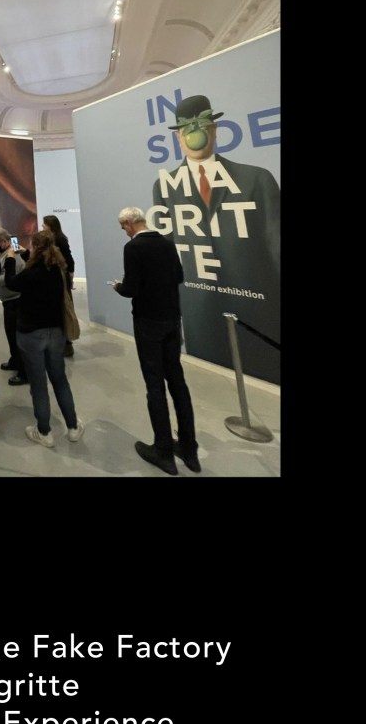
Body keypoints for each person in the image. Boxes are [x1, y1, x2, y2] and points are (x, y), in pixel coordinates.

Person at [151, 94, 280, 383]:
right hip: (199, 314)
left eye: (201, 126)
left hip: (257, 314)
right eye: (186, 129)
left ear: (214, 129)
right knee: (209, 383)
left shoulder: (256, 179)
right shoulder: (164, 186)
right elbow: (168, 252)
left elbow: (276, 247)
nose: (194, 134)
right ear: (178, 137)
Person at [111, 206, 200, 476]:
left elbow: (131, 288)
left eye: (123, 227)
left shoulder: (133, 248)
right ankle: (189, 448)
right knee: (177, 382)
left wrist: (118, 287)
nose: (124, 232)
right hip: (172, 318)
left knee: (155, 384)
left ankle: (163, 451)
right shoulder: (167, 243)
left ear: (130, 222)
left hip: (148, 322)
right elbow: (179, 276)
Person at [4, 231, 84, 447]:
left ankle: (44, 431)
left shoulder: (30, 274)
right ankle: (73, 427)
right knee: (59, 379)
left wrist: (10, 258)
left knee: (38, 384)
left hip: (31, 333)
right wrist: (25, 254)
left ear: (35, 247)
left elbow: (11, 283)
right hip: (55, 332)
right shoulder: (57, 269)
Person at [0, 227, 27, 386]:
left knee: (16, 337)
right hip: (8, 301)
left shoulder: (14, 257)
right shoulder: (5, 255)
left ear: (5, 241)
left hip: (15, 300)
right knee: (10, 335)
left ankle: (24, 371)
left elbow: (10, 277)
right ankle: (15, 361)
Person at [42, 215, 76, 357]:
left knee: (63, 309)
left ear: (50, 225)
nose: (42, 226)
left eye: (44, 224)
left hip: (61, 278)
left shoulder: (59, 239)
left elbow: (69, 259)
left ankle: (66, 344)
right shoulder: (56, 238)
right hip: (60, 277)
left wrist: (69, 276)